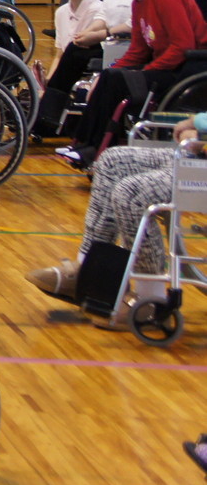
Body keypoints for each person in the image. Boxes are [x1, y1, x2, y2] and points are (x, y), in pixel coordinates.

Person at [26, 115, 202, 328]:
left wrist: (198, 135)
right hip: (193, 156)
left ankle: (150, 298)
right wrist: (194, 122)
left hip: (199, 165)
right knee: (111, 161)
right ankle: (90, 272)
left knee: (132, 193)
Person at [58, 0, 207, 169]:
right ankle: (82, 146)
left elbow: (183, 46)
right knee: (109, 76)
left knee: (117, 80)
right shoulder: (140, 1)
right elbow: (138, 49)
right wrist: (116, 69)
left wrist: (144, 72)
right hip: (166, 67)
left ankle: (91, 149)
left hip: (188, 70)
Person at [33, 0, 132, 137]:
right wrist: (47, 85)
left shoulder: (96, 7)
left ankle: (46, 116)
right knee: (71, 52)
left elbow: (91, 38)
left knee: (75, 50)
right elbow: (59, 54)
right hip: (74, 59)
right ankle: (44, 110)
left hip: (101, 53)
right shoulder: (62, 11)